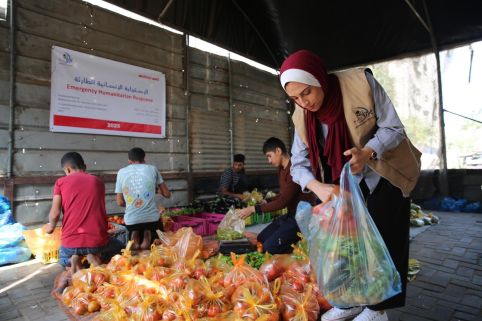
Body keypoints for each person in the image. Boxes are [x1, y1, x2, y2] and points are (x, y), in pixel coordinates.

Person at [280, 50, 421, 321]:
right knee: (347, 245)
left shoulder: (361, 84)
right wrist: (318, 187)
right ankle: (351, 303)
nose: (302, 102)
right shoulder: (302, 114)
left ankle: (377, 310)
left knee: (383, 243)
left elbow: (393, 128)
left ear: (320, 79)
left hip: (383, 175)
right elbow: (298, 163)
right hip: (342, 184)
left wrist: (367, 152)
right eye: (295, 98)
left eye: (306, 92)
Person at [44, 152, 123, 291]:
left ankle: (73, 264)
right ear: (84, 167)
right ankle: (94, 259)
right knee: (120, 248)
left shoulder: (60, 182)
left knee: (63, 257)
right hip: (96, 242)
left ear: (67, 170)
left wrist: (50, 226)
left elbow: (55, 213)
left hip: (70, 244)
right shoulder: (98, 182)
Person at [238, 137, 314, 254]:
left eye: (269, 156)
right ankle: (286, 241)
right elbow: (283, 195)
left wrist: (254, 209)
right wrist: (267, 201)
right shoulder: (281, 169)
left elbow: (283, 201)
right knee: (261, 238)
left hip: (302, 218)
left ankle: (297, 247)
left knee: (269, 247)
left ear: (278, 151)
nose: (269, 160)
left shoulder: (295, 169)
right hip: (291, 215)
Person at [115, 147, 171, 251]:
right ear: (144, 158)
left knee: (135, 224)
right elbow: (167, 194)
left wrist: (132, 204)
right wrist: (157, 191)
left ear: (129, 161)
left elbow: (120, 202)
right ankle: (148, 237)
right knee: (152, 227)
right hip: (152, 219)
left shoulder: (121, 172)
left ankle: (136, 237)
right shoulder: (152, 169)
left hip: (131, 221)